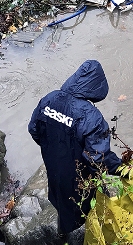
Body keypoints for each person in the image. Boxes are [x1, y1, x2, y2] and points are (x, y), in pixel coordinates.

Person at [28, 60, 122, 236]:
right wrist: (121, 168)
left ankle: (64, 232)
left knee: (59, 197)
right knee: (80, 207)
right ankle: (72, 243)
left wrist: (52, 149)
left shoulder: (50, 98)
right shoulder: (90, 115)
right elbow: (98, 158)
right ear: (97, 87)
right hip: (79, 175)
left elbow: (33, 129)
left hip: (53, 165)